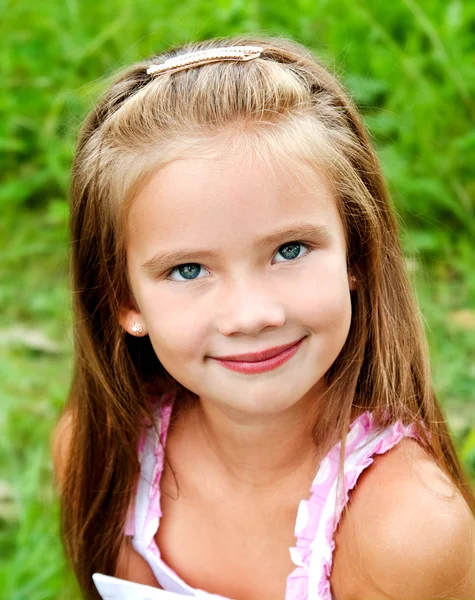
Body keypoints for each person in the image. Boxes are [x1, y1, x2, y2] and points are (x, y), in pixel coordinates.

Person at [52, 35, 475, 600]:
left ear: (355, 253)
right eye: (187, 270)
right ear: (123, 301)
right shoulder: (101, 455)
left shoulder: (406, 529)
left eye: (290, 250)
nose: (250, 315)